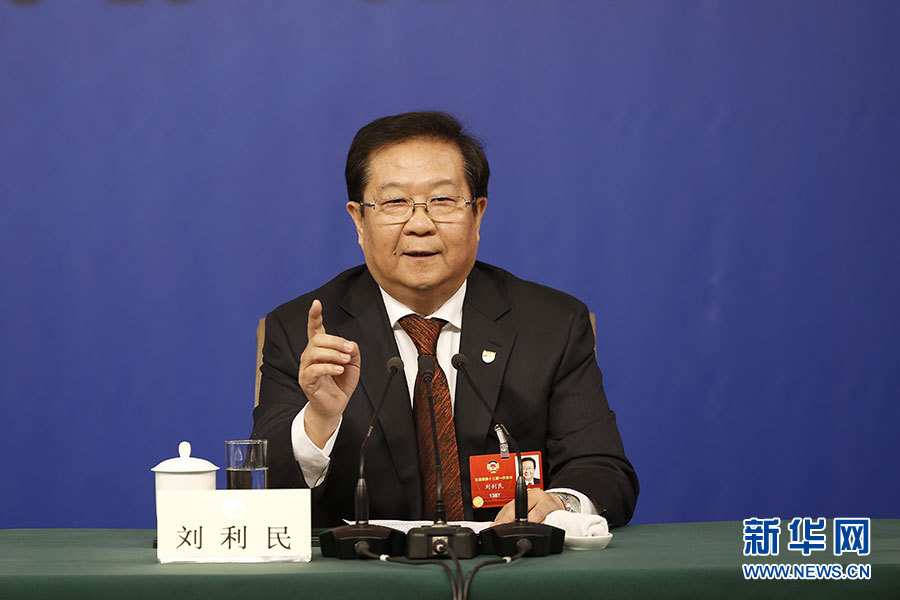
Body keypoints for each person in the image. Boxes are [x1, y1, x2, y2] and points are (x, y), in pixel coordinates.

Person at [251, 111, 639, 528]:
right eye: (395, 202)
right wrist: (319, 421)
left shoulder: (551, 324)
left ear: (478, 214)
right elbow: (266, 492)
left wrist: (559, 504)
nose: (420, 224)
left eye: (442, 201)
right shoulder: (303, 331)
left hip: (511, 562)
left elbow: (602, 470)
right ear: (359, 220)